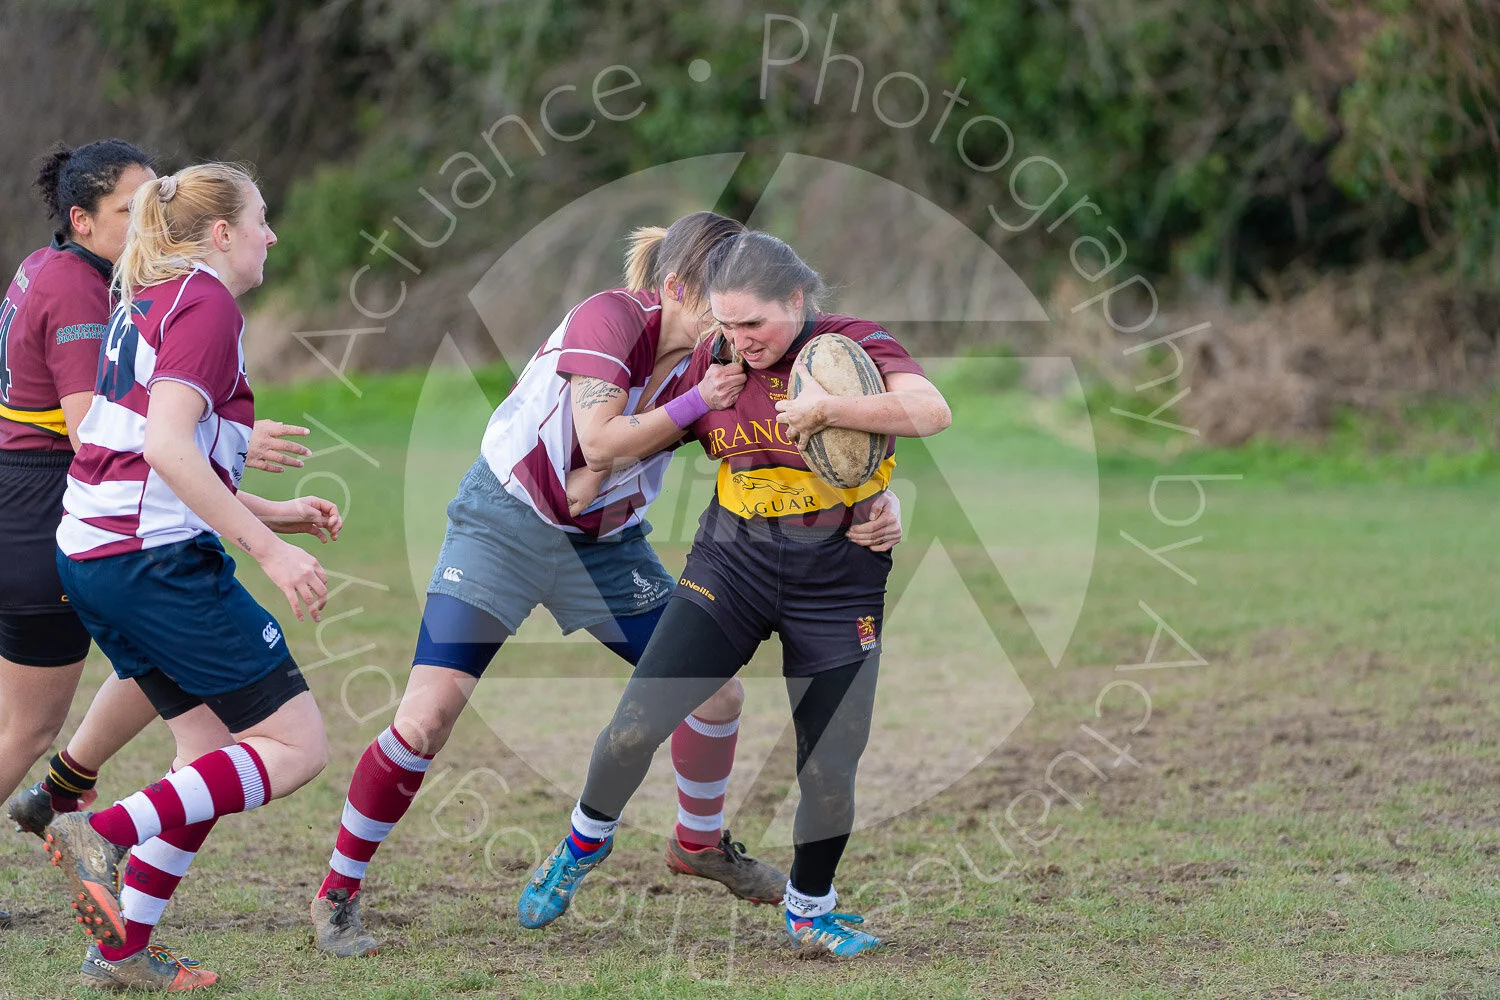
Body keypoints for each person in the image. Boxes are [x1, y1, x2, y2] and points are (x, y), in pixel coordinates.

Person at [308, 210, 903, 957]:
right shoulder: (612, 318)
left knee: (715, 693)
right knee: (426, 720)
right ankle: (337, 891)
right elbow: (594, 449)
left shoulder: (720, 358)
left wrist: (877, 496)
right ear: (685, 287)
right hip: (504, 528)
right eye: (721, 304)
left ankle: (698, 844)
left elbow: (793, 442)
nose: (734, 327)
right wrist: (690, 406)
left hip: (607, 549)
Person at [516, 230, 950, 957]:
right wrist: (570, 491)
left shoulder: (849, 348)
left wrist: (828, 416)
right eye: (726, 321)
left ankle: (811, 911)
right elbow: (605, 460)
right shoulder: (710, 365)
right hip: (732, 567)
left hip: (840, 575)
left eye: (754, 322)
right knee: (634, 724)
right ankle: (583, 845)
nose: (740, 338)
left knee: (831, 761)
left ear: (797, 300)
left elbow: (930, 412)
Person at [41, 162, 341, 992]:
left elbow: (153, 451)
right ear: (220, 235)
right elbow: (169, 449)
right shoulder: (204, 301)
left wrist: (272, 515)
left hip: (97, 554)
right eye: (261, 220)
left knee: (206, 748)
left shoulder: (150, 297)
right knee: (296, 745)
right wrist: (269, 552)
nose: (271, 236)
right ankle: (99, 830)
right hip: (151, 565)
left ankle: (120, 949)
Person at [0, 141, 312, 841]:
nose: (146, 219)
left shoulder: (68, 272)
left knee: (181, 708)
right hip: (73, 514)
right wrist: (256, 516)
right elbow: (117, 442)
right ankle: (90, 817)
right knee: (27, 728)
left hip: (77, 515)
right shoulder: (97, 293)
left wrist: (223, 443)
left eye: (153, 202)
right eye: (128, 208)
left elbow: (150, 438)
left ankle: (83, 822)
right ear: (82, 219)